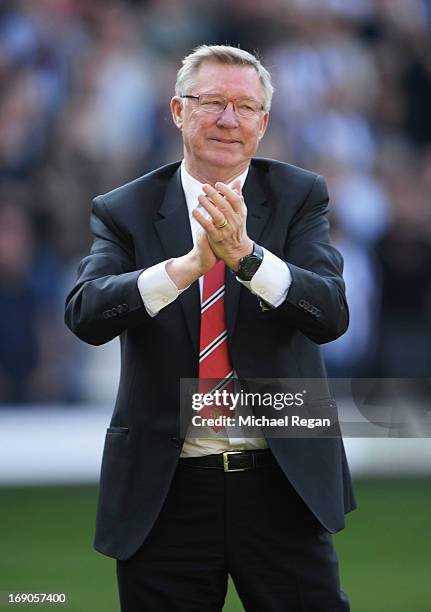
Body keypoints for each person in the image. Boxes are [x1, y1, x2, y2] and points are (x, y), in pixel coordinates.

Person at [65, 45, 355, 612]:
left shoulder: (298, 196)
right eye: (211, 103)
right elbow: (86, 313)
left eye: (245, 107)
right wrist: (186, 268)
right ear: (177, 111)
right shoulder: (125, 209)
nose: (228, 119)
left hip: (282, 480)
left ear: (263, 124)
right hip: (165, 489)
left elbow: (331, 313)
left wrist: (246, 258)